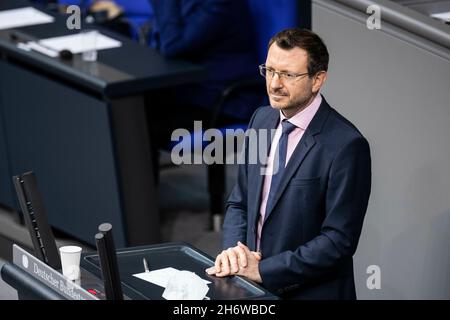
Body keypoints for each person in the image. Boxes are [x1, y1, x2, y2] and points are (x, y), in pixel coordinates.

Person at [206, 28, 372, 300]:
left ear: (317, 79)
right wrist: (234, 253)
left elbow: (337, 241)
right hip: (251, 287)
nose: (274, 84)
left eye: (288, 75)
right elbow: (239, 201)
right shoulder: (260, 119)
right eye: (269, 70)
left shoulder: (346, 145)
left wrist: (265, 270)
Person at [145, 0, 263, 181]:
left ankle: (140, 203)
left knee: (139, 123)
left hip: (225, 101)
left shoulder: (219, 5)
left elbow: (173, 45)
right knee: (134, 108)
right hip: (193, 90)